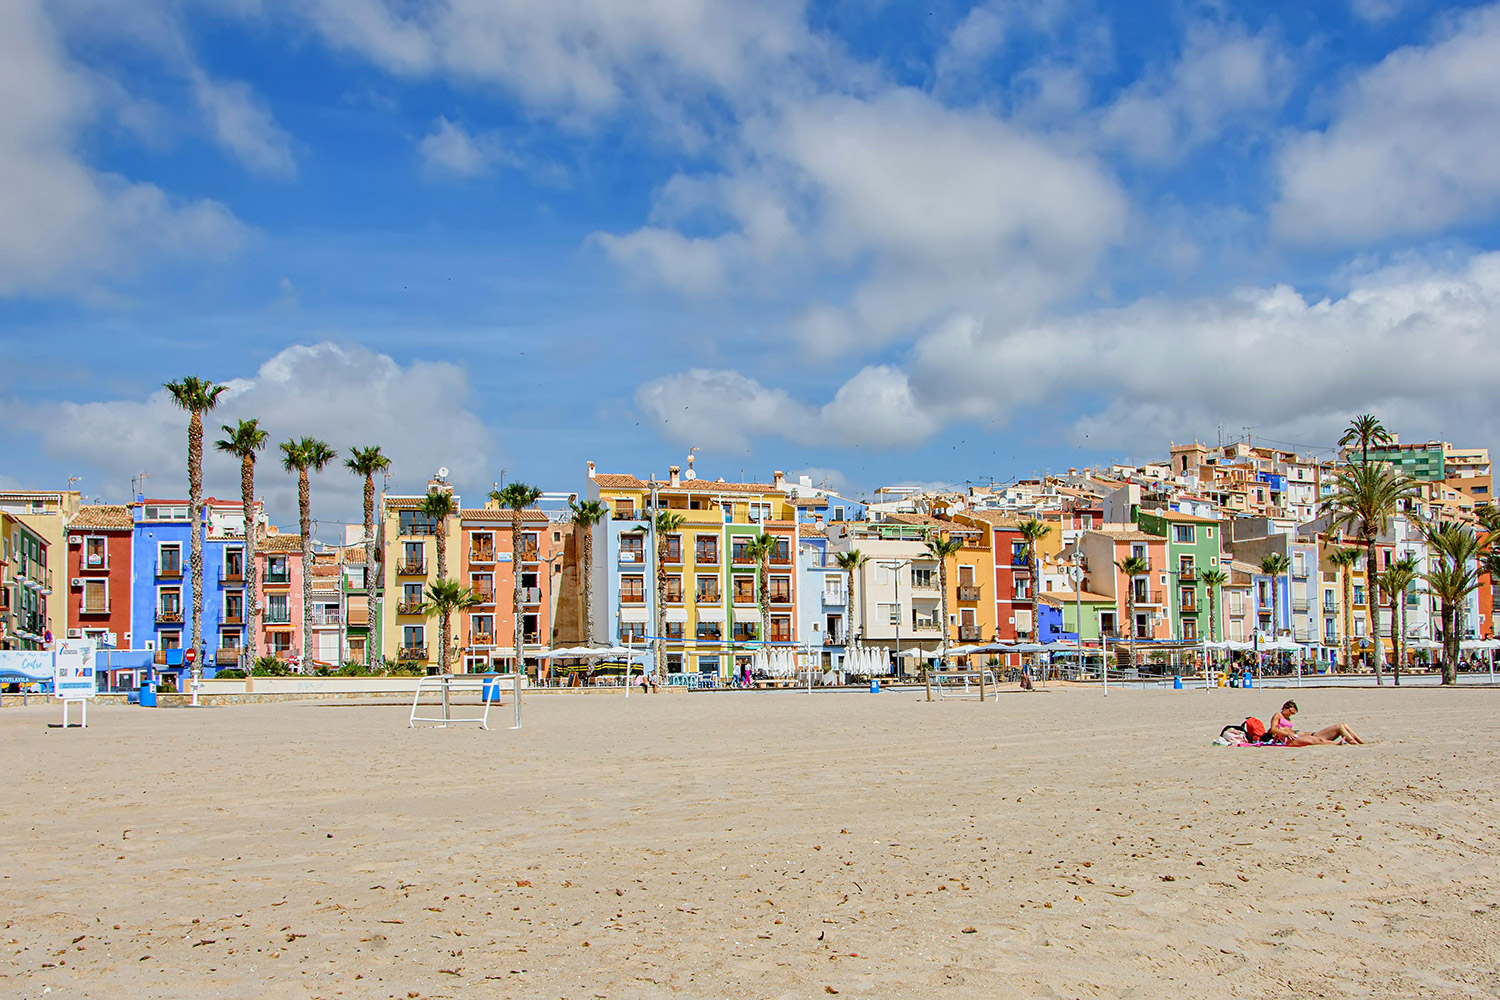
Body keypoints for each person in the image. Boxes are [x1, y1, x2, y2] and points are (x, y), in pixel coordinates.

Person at [1268, 700, 1365, 745]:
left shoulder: (1287, 718)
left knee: (1344, 725)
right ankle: (1351, 742)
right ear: (1285, 708)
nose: (1290, 714)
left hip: (1302, 734)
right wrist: (1286, 734)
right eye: (1290, 711)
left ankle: (1361, 742)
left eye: (1293, 713)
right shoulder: (1278, 715)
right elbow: (1273, 729)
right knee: (1338, 728)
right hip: (1291, 738)